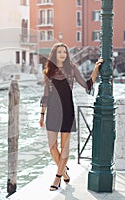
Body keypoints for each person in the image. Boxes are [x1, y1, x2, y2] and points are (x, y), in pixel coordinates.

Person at [39, 43, 103, 191]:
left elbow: (87, 85)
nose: (62, 54)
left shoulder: (72, 69)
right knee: (52, 147)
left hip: (67, 111)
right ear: (55, 54)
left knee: (64, 148)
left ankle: (58, 177)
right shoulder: (48, 71)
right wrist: (42, 114)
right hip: (52, 112)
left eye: (64, 52)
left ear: (67, 54)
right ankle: (64, 171)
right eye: (59, 52)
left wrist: (96, 69)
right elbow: (46, 95)